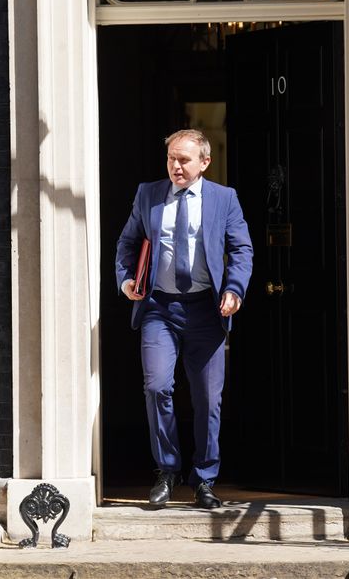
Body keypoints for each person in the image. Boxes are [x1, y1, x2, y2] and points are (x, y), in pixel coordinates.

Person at [115, 129, 253, 509]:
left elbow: (241, 248)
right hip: (159, 308)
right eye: (171, 159)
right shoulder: (148, 194)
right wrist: (127, 279)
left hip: (206, 311)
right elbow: (128, 242)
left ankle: (205, 478)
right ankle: (167, 470)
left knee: (208, 399)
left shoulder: (224, 199)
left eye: (184, 159)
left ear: (204, 162)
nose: (176, 166)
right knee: (158, 387)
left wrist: (235, 289)